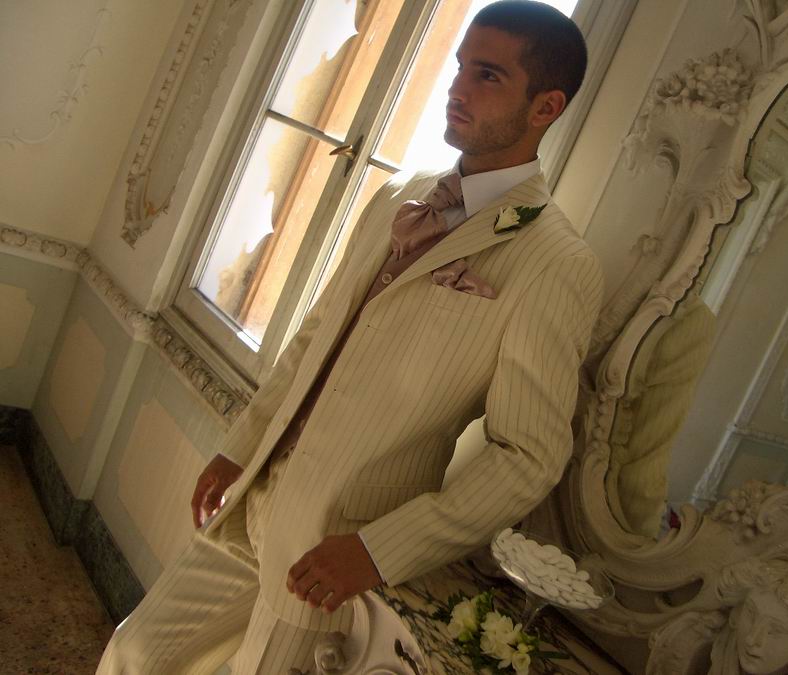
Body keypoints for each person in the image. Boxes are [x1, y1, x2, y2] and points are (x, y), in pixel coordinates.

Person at [97, 2, 602, 672]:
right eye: (459, 66)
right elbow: (317, 333)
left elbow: (527, 455)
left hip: (332, 546)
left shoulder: (555, 262)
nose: (456, 88)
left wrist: (378, 551)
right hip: (256, 497)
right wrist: (241, 447)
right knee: (134, 651)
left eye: (487, 75)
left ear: (545, 107)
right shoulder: (404, 192)